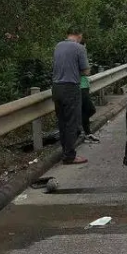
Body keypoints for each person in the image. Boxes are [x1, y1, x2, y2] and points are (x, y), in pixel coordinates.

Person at [52, 26, 89, 164]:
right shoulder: (79, 48)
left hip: (56, 88)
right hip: (70, 88)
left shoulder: (58, 46)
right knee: (72, 123)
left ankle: (65, 152)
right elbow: (85, 71)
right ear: (79, 35)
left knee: (62, 122)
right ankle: (70, 156)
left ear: (68, 35)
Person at [79, 40, 100, 143]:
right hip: (80, 87)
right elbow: (86, 71)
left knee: (85, 111)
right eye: (84, 47)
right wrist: (86, 70)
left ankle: (87, 132)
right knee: (90, 109)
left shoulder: (82, 56)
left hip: (84, 85)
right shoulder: (78, 56)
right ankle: (80, 128)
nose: (85, 49)